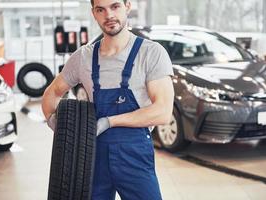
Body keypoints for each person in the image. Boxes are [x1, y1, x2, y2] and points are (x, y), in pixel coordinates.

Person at [41, 0, 174, 199]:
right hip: (92, 153)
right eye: (101, 9)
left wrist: (109, 122)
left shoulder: (151, 53)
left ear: (128, 5)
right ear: (93, 13)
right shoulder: (83, 57)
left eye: (115, 6)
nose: (109, 15)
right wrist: (58, 125)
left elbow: (162, 112)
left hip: (134, 155)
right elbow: (52, 93)